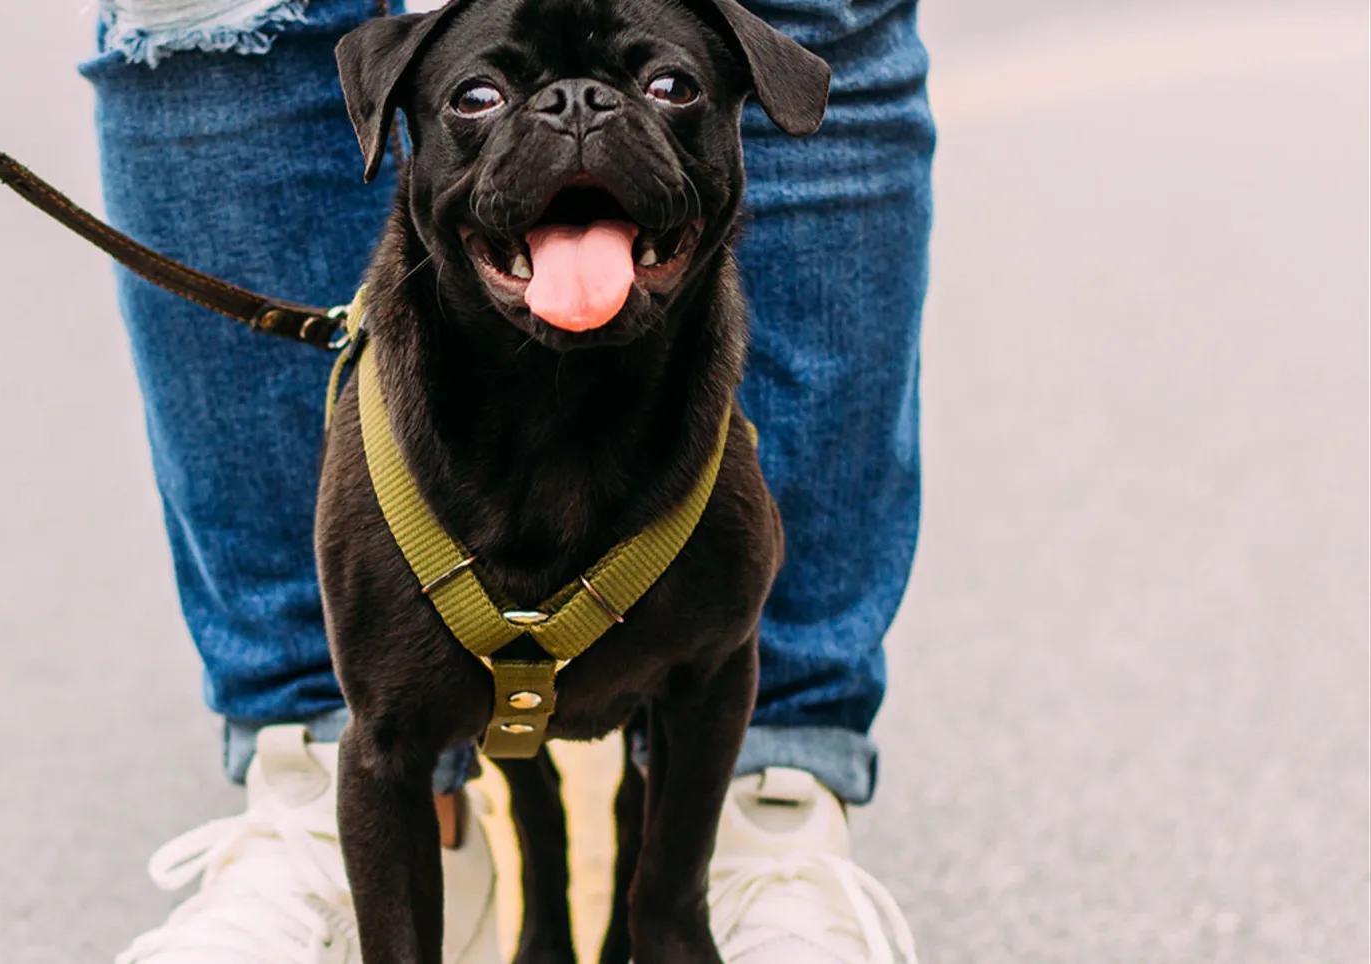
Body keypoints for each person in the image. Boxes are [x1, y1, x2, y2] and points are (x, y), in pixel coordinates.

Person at [79, 0, 932, 960]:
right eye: (481, 97)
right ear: (393, 122)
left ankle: (765, 806)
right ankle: (315, 773)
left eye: (666, 88)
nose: (578, 115)